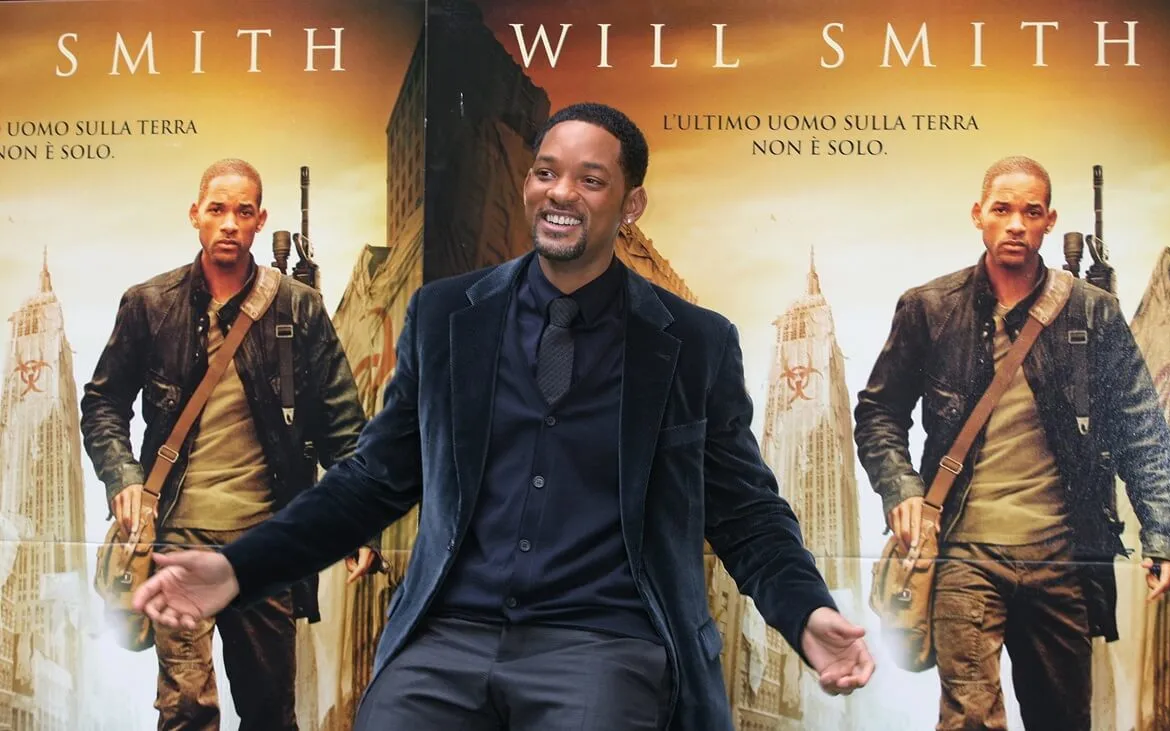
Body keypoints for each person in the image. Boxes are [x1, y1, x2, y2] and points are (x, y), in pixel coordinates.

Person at [131, 103, 875, 731]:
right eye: (547, 171)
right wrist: (238, 567)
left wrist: (805, 612)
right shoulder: (448, 316)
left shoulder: (693, 344)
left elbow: (745, 510)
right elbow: (370, 482)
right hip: (448, 640)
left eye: (591, 179)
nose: (561, 193)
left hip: (605, 643)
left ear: (631, 203)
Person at [854, 155, 1170, 731]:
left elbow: (1141, 428)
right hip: (963, 552)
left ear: (1049, 220)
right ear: (978, 214)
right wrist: (901, 490)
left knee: (1061, 719)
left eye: (1030, 212)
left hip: (1061, 556)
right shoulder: (929, 307)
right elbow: (879, 412)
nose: (1015, 223)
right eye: (1002, 209)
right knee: (970, 721)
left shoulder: (1093, 312)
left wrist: (1164, 533)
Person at [80, 157, 378, 731]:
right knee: (187, 709)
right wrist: (124, 479)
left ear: (259, 220)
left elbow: (343, 423)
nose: (229, 224)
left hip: (267, 545)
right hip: (175, 541)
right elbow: (103, 404)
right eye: (217, 209)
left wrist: (357, 524)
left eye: (243, 212)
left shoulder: (298, 307)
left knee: (269, 713)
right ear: (196, 214)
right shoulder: (149, 304)